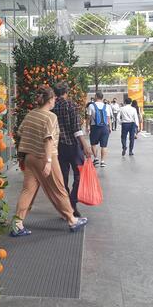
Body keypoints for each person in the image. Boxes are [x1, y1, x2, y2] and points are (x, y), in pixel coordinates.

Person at [11, 87, 88, 237]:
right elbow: (48, 141)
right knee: (59, 189)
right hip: (45, 158)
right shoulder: (50, 117)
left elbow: (20, 132)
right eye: (53, 100)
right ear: (51, 100)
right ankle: (72, 220)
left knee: (27, 191)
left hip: (30, 158)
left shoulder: (30, 114)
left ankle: (17, 223)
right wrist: (48, 161)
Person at [52, 82, 92, 218]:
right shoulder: (71, 105)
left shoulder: (51, 107)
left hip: (58, 147)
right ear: (66, 92)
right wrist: (85, 145)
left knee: (62, 178)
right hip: (73, 146)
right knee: (79, 174)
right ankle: (72, 202)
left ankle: (66, 206)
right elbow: (76, 129)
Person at [87, 91, 111, 167]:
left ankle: (96, 158)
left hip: (95, 127)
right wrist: (109, 127)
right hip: (105, 127)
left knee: (93, 144)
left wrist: (87, 126)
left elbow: (88, 118)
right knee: (104, 146)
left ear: (96, 96)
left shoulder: (91, 106)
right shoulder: (107, 106)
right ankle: (103, 161)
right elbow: (108, 118)